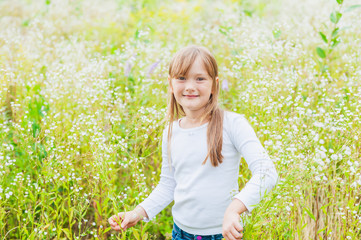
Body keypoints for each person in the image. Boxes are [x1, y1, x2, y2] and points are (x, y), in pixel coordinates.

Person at [108, 45, 279, 240]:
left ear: (214, 85)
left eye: (200, 79)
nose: (190, 86)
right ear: (171, 85)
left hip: (223, 234)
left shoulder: (233, 124)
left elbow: (267, 172)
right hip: (180, 233)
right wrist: (136, 213)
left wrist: (234, 210)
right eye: (181, 78)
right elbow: (168, 185)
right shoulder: (171, 131)